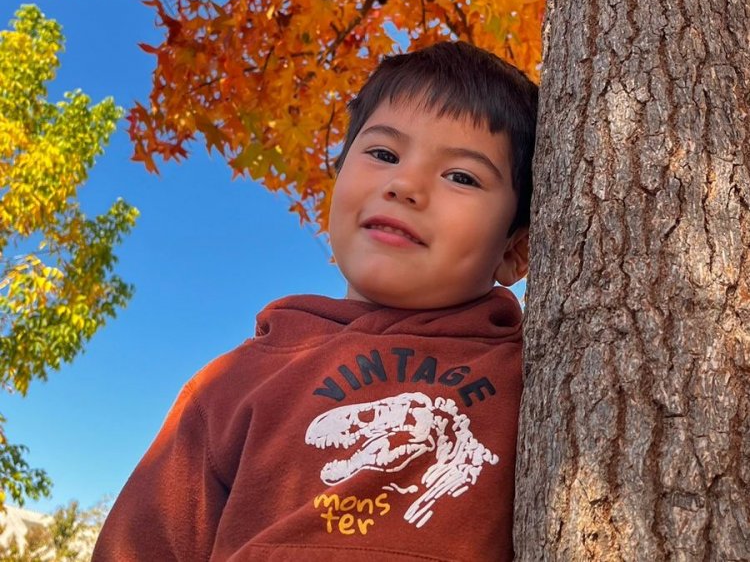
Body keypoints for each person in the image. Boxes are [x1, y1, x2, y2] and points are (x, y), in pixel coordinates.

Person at [92, 41, 538, 562]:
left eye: (461, 176)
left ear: (515, 249)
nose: (405, 184)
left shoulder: (538, 378)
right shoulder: (233, 384)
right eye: (383, 154)